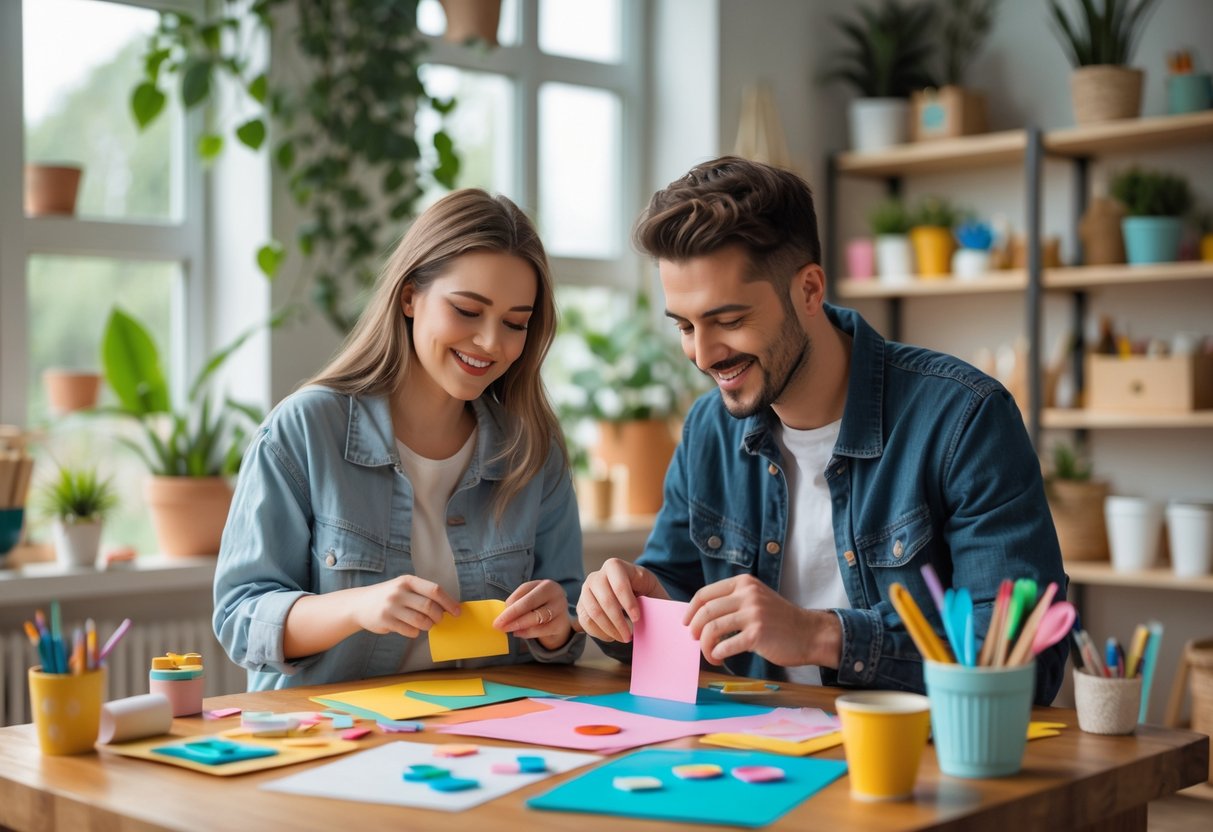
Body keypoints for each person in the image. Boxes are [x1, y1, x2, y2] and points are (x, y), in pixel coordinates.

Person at [577, 157, 1068, 705]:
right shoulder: (707, 429)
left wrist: (820, 635)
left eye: (730, 321)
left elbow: (1027, 662)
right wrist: (633, 605)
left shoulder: (964, 419)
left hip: (915, 761)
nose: (703, 354)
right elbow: (677, 595)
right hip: (752, 756)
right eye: (686, 327)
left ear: (809, 290)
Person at [214, 189, 584, 690]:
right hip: (332, 741)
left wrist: (557, 625)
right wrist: (355, 607)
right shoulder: (304, 430)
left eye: (515, 323)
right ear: (409, 295)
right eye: (468, 311)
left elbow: (568, 622)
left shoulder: (533, 452)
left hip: (482, 735)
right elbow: (240, 618)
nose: (492, 343)